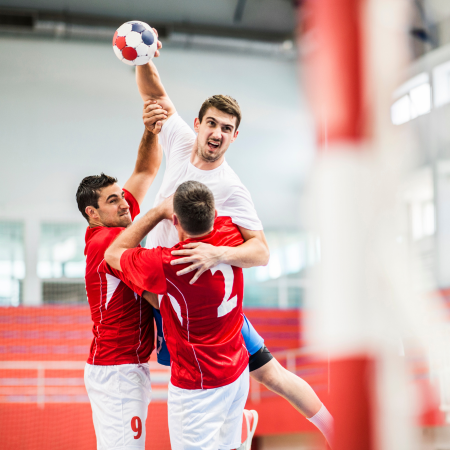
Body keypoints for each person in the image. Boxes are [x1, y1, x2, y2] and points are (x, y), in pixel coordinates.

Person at [135, 42, 334, 447]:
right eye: (212, 124)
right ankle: (236, 423)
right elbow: (154, 92)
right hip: (167, 294)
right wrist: (141, 55)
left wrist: (217, 253)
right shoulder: (176, 139)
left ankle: (336, 431)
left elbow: (261, 251)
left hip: (202, 306)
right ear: (198, 123)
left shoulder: (231, 188)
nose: (217, 134)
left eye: (227, 129)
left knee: (269, 373)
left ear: (235, 136)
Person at [105, 180, 254, 450]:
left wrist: (158, 211)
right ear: (213, 214)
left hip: (198, 387)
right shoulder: (230, 232)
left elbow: (112, 253)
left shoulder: (170, 263)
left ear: (175, 220)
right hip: (237, 370)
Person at [77, 99, 167, 449]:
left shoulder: (117, 228)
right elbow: (157, 297)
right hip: (118, 372)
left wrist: (150, 129)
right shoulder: (108, 242)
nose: (125, 203)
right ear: (93, 213)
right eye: (113, 200)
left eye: (120, 196)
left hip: (123, 367)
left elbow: (145, 171)